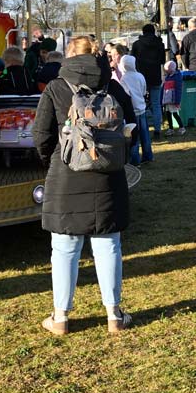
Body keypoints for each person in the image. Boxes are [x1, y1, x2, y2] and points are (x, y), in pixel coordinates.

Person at [32, 36, 135, 335]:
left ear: (69, 56)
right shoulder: (113, 87)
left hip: (66, 174)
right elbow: (131, 129)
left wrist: (52, 160)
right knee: (108, 244)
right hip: (108, 174)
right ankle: (114, 314)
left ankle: (60, 317)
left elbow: (41, 135)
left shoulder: (56, 87)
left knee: (64, 247)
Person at [131, 24, 166, 149]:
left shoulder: (137, 44)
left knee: (141, 105)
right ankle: (157, 129)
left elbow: (132, 60)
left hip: (141, 77)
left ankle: (143, 129)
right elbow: (162, 60)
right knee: (156, 104)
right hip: (155, 76)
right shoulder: (159, 43)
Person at [119, 55, 153, 165]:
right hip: (142, 108)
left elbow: (125, 94)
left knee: (133, 135)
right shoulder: (140, 76)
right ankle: (148, 156)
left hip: (131, 111)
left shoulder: (124, 78)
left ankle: (135, 159)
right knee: (145, 134)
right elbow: (144, 91)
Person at [160, 60, 185, 135]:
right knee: (168, 113)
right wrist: (162, 98)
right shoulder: (167, 77)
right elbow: (163, 88)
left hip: (173, 99)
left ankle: (182, 127)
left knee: (174, 113)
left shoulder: (177, 76)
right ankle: (170, 128)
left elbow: (178, 90)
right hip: (167, 99)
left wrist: (177, 101)